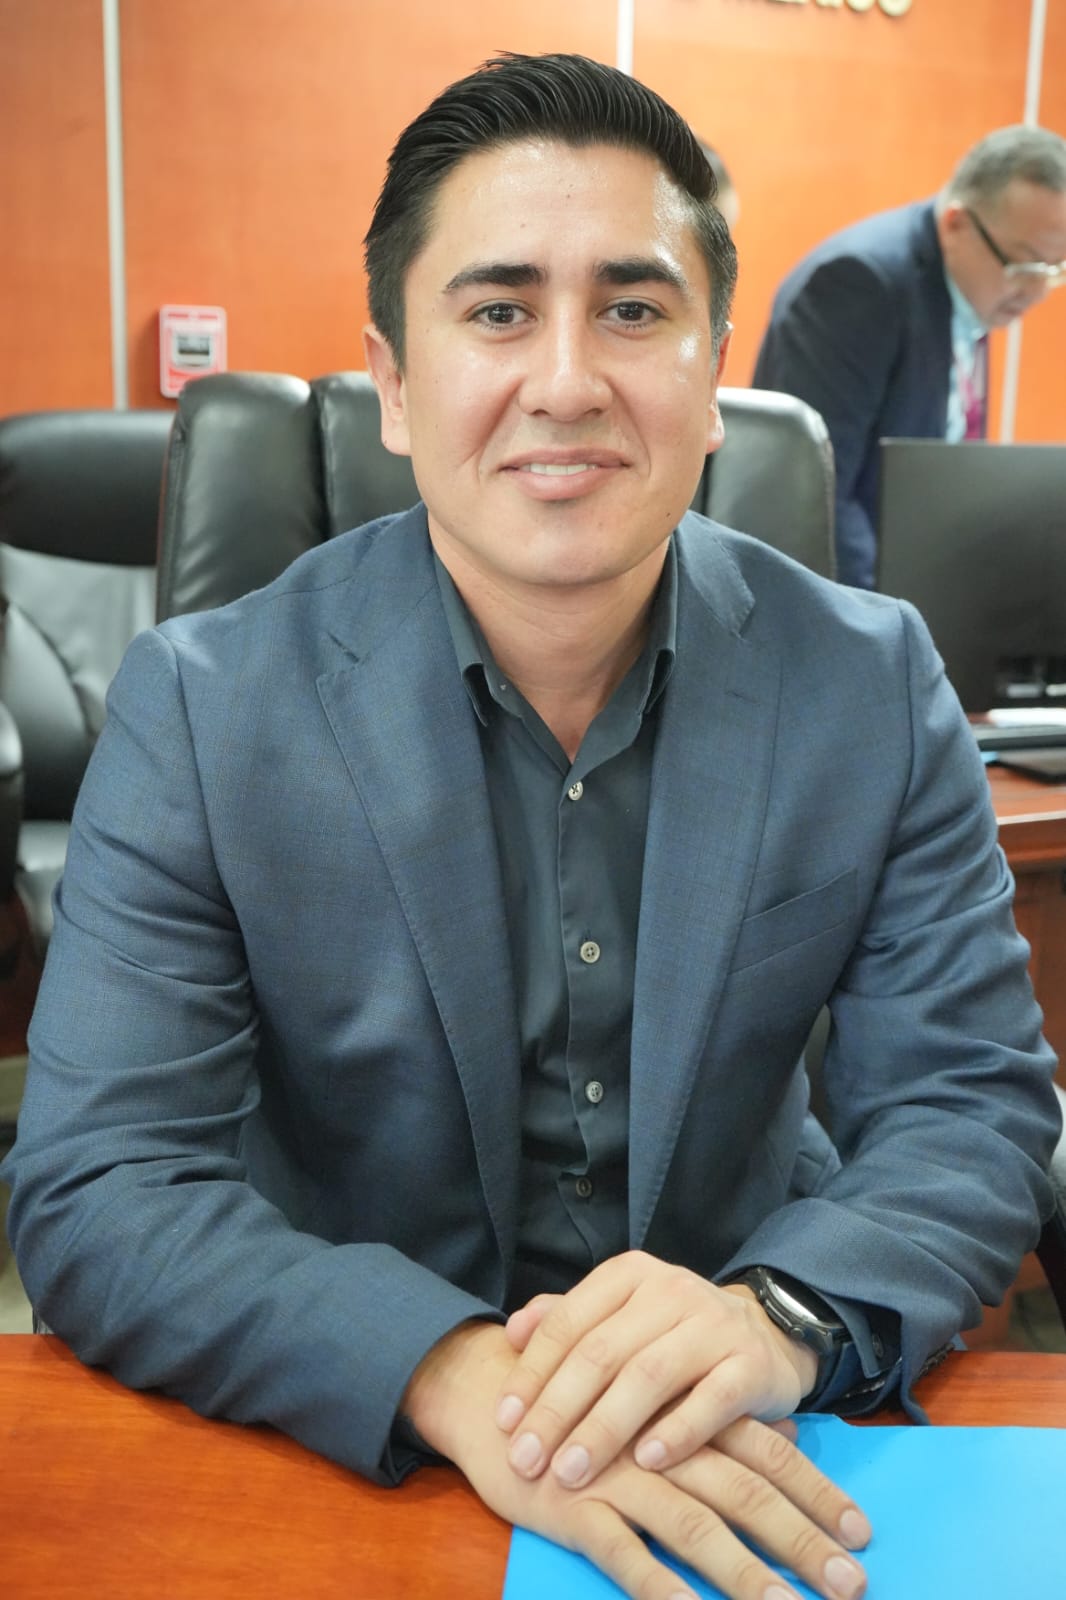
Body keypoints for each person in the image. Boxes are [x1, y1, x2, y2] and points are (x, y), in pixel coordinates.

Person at [3, 53, 1060, 1600]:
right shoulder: (203, 708)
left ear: (711, 371)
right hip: (350, 1442)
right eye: (498, 311)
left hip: (747, 1414)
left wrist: (775, 1318)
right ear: (394, 380)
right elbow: (101, 1183)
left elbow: (966, 1108)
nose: (565, 380)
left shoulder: (867, 682)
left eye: (631, 309)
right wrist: (442, 1368)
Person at [752, 125, 1066, 589]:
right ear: (957, 224)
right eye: (1025, 265)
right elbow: (815, 499)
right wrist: (892, 618)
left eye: (1054, 269)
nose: (1037, 291)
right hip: (846, 598)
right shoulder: (858, 285)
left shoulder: (971, 286)